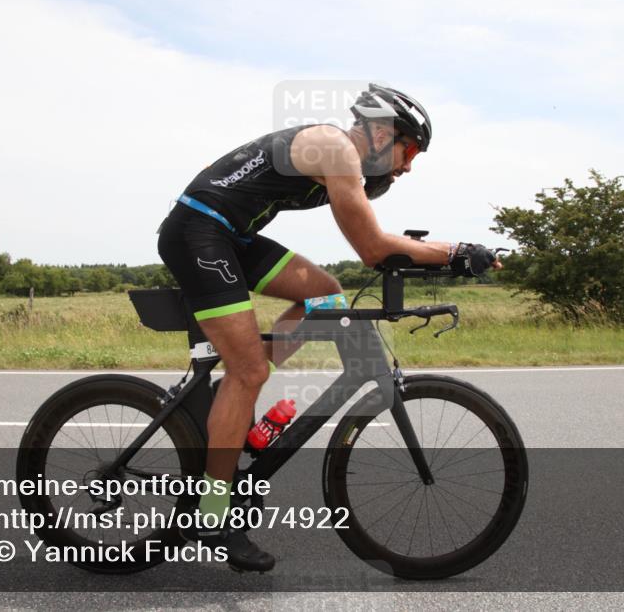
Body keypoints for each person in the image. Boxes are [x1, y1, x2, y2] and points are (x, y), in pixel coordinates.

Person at [157, 83, 499, 571]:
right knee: (250, 372)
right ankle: (212, 517)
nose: (408, 166)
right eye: (411, 151)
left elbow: (380, 236)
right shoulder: (334, 148)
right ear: (383, 132)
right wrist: (456, 251)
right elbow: (374, 246)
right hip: (199, 231)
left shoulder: (346, 158)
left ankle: (234, 391)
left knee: (325, 293)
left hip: (232, 235)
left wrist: (444, 257)